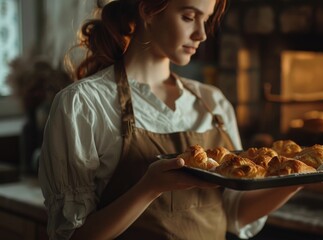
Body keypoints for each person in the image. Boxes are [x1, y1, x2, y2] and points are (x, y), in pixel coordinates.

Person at [38, 0, 303, 239]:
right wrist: (149, 188)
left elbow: (233, 215)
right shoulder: (83, 103)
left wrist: (297, 178)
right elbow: (73, 236)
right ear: (148, 11)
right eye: (189, 17)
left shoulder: (213, 103)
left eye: (206, 20)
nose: (202, 34)